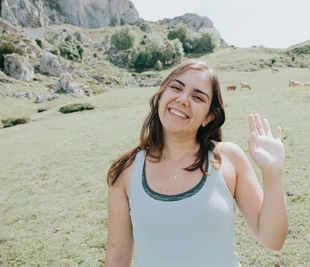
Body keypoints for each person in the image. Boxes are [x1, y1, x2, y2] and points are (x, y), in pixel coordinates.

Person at [105, 60, 288, 267]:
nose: (183, 99)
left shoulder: (228, 158)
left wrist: (273, 173)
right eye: (176, 87)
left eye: (198, 97)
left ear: (208, 117)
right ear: (161, 96)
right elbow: (117, 258)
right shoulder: (126, 170)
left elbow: (272, 240)